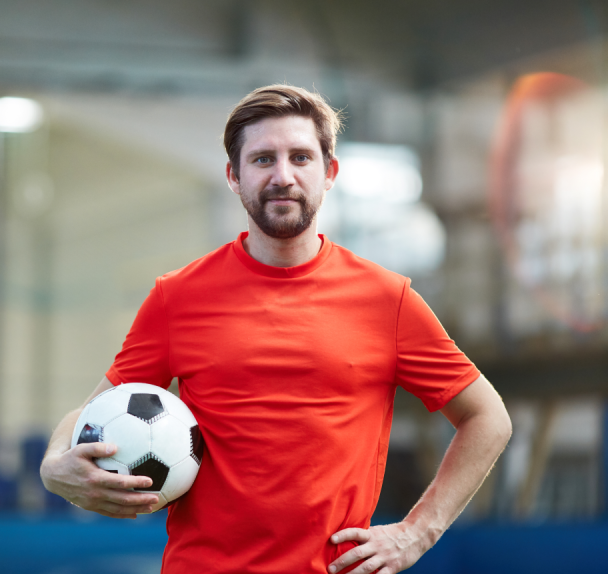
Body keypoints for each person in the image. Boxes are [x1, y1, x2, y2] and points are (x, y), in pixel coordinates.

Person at [40, 84, 512, 574]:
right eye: (263, 159)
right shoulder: (176, 298)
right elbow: (94, 410)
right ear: (234, 176)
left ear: (329, 173)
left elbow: (487, 417)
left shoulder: (385, 299)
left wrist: (417, 533)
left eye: (301, 157)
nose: (283, 176)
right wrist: (55, 465)